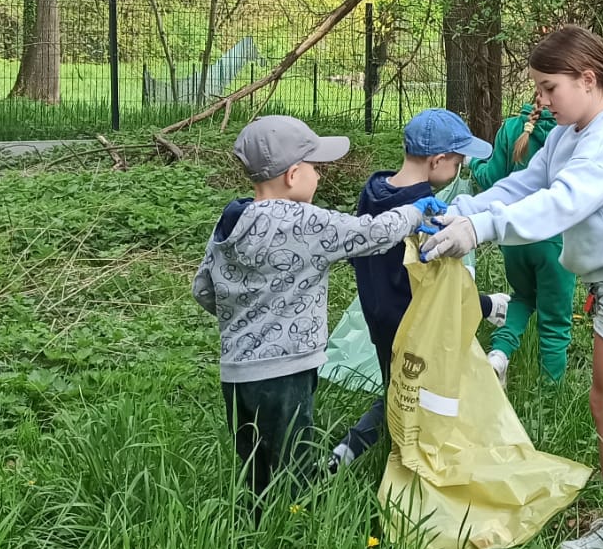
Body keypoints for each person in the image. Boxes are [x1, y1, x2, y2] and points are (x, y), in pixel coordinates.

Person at [421, 26, 603, 549]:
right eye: (538, 88)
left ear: (587, 80)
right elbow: (523, 186)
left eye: (548, 87)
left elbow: (559, 205)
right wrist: (462, 210)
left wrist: (481, 230)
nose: (540, 100)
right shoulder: (569, 134)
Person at [193, 114, 443, 505]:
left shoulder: (231, 220)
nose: (320, 175)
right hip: (287, 370)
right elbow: (371, 234)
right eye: (314, 167)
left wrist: (245, 317)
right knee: (295, 464)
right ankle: (296, 526)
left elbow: (203, 290)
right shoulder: (303, 222)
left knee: (255, 467)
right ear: (293, 175)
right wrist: (414, 212)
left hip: (236, 373)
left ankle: (256, 521)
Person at [330, 108, 510, 472]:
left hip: (377, 315)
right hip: (414, 327)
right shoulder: (423, 213)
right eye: (457, 161)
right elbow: (439, 295)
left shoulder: (374, 191)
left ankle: (347, 453)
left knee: (395, 390)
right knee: (418, 397)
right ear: (437, 160)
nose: (459, 169)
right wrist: (488, 304)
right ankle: (425, 465)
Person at [470, 100, 576, 385]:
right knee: (555, 322)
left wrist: (473, 163)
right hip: (555, 242)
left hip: (514, 237)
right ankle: (550, 396)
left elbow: (492, 179)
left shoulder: (511, 128)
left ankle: (498, 355)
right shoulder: (573, 134)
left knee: (523, 297)